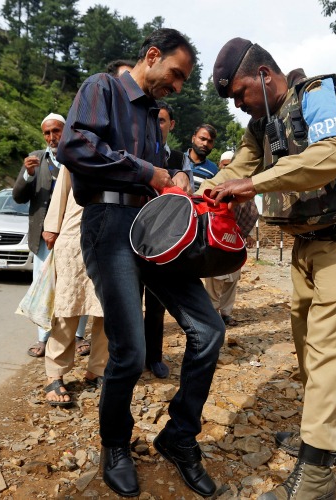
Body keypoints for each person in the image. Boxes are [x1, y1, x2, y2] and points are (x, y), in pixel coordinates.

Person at [203, 38, 336, 499]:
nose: (239, 106)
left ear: (263, 74)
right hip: (305, 246)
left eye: (240, 93)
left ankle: (316, 472)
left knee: (328, 353)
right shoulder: (261, 126)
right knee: (305, 345)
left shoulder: (317, 95)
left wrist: (253, 183)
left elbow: (335, 153)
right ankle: (326, 440)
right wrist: (189, 190)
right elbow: (232, 171)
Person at [57, 28, 223, 498]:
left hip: (155, 228)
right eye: (175, 74)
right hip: (109, 222)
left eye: (182, 81)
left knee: (209, 330)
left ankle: (179, 437)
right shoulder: (101, 88)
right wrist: (148, 172)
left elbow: (164, 170)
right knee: (129, 350)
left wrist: (180, 178)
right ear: (152, 56)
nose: (176, 87)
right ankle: (115, 444)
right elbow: (76, 148)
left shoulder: (153, 117)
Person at [40, 168, 107, 406]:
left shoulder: (129, 142)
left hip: (113, 235)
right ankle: (54, 374)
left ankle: (97, 370)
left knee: (107, 311)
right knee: (67, 307)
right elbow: (62, 188)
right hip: (74, 235)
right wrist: (52, 227)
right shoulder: (81, 141)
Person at [141, 100, 191, 380]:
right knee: (130, 299)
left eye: (162, 120)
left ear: (171, 125)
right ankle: (130, 356)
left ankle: (154, 357)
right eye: (153, 120)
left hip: (165, 236)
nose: (157, 125)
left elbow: (187, 192)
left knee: (157, 301)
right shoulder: (138, 152)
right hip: (136, 231)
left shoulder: (179, 158)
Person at [13, 112, 66, 358]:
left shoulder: (76, 158)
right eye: (47, 132)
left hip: (71, 235)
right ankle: (43, 339)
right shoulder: (35, 159)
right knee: (42, 286)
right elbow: (19, 197)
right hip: (43, 238)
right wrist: (28, 175)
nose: (52, 137)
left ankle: (77, 337)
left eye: (56, 131)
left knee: (75, 283)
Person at [204, 150, 258, 328]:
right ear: (220, 166)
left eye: (231, 165)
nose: (229, 169)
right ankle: (212, 314)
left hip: (236, 240)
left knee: (232, 278)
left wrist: (247, 233)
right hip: (217, 240)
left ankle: (226, 313)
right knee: (215, 279)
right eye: (225, 166)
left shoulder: (242, 188)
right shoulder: (214, 188)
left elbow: (250, 212)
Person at [186, 124, 218, 191]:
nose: (205, 144)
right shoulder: (178, 160)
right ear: (193, 138)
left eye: (210, 141)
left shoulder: (214, 170)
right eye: (202, 139)